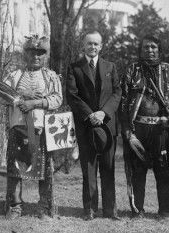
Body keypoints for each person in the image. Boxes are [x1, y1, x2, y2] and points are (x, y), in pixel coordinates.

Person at [3, 35, 62, 219]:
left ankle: (44, 207)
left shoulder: (50, 76)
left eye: (40, 53)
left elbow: (57, 99)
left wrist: (36, 102)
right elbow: (4, 94)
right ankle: (15, 206)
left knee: (44, 169)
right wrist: (23, 95)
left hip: (41, 129)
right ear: (25, 54)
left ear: (45, 55)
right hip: (18, 127)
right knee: (15, 169)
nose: (36, 56)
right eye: (32, 52)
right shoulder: (14, 75)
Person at [120, 35, 169, 221]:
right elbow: (122, 100)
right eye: (146, 47)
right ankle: (138, 210)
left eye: (153, 47)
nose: (150, 50)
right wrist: (126, 128)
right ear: (140, 49)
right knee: (138, 170)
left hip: (162, 129)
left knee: (163, 170)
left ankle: (165, 211)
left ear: (159, 49)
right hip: (138, 129)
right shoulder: (132, 70)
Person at [66, 31, 121, 220]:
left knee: (108, 167)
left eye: (96, 44)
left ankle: (109, 210)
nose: (93, 47)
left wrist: (103, 113)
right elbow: (72, 95)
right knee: (89, 168)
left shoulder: (110, 67)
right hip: (86, 125)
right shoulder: (75, 68)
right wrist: (90, 115)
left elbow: (117, 93)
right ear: (84, 45)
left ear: (101, 46)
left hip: (107, 125)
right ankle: (89, 209)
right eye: (89, 43)